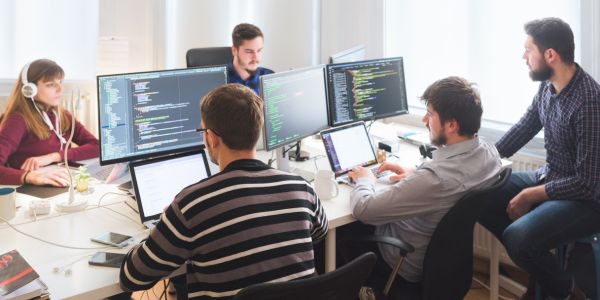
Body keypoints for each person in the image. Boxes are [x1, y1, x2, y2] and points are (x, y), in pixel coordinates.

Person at [119, 83, 328, 299]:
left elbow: (131, 277)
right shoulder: (302, 188)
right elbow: (321, 233)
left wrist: (165, 229)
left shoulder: (191, 206)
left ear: (211, 138)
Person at [478, 17, 600, 300]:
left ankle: (566, 290)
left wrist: (531, 195)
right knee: (479, 193)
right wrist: (481, 161)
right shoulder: (548, 86)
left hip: (586, 201)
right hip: (552, 179)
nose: (524, 56)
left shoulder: (590, 102)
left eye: (528, 50)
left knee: (518, 238)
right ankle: (544, 275)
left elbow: (587, 184)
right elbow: (524, 127)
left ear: (550, 55)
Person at [343, 76, 502, 290]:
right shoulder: (489, 153)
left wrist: (365, 179)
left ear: (452, 125)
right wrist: (414, 174)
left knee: (333, 235)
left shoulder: (434, 179)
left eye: (430, 114)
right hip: (444, 265)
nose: (424, 121)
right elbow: (450, 182)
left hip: (400, 262)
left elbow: (364, 209)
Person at [0, 59, 99, 187]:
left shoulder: (62, 115)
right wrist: (29, 176)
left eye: (60, 82)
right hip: (30, 188)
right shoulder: (17, 120)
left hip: (59, 179)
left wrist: (54, 156)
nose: (60, 89)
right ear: (30, 89)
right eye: (51, 84)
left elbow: (97, 147)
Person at [227, 23, 274, 95]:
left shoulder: (269, 77)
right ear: (234, 51)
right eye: (249, 51)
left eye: (259, 50)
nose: (256, 57)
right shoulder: (220, 80)